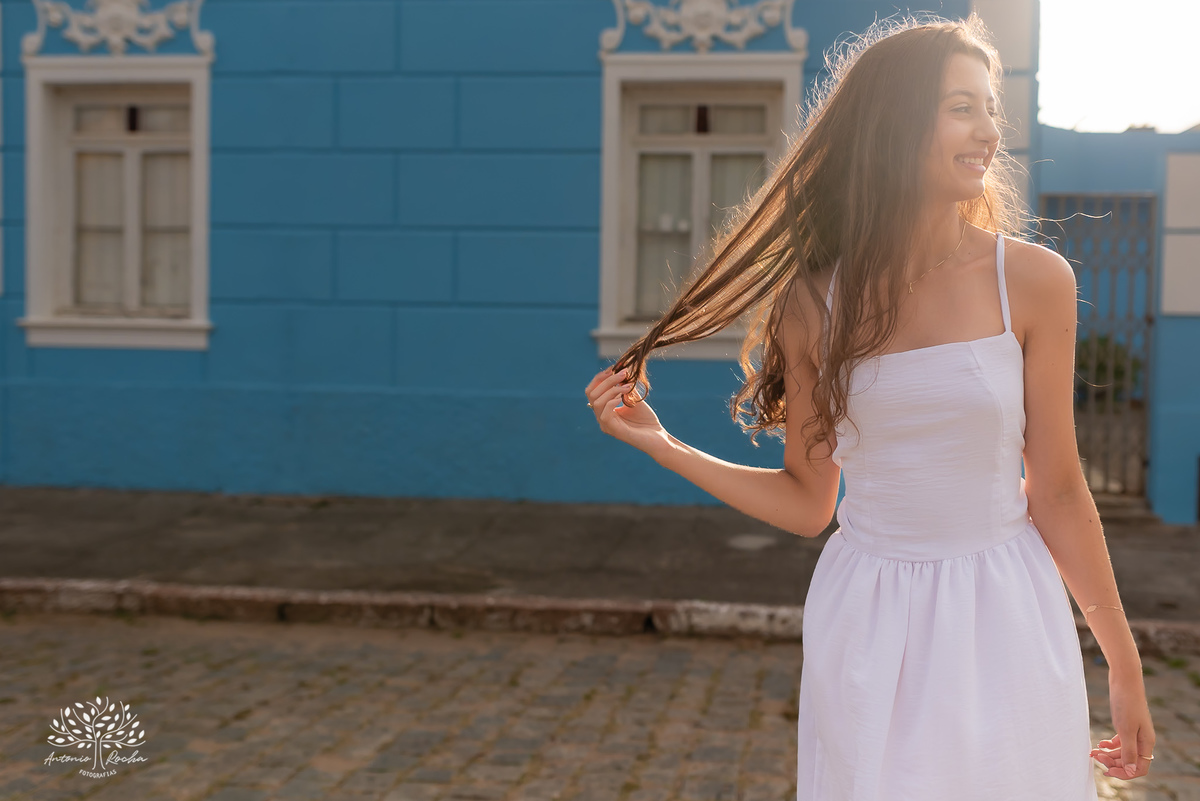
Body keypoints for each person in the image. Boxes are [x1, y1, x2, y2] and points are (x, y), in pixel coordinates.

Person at [583, 14, 1155, 800]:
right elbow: (808, 500)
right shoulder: (812, 304)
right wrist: (664, 445)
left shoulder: (1031, 279)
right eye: (961, 106)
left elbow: (1056, 487)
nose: (988, 129)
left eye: (991, 107)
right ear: (895, 122)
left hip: (1006, 610)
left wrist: (1122, 662)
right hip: (870, 613)